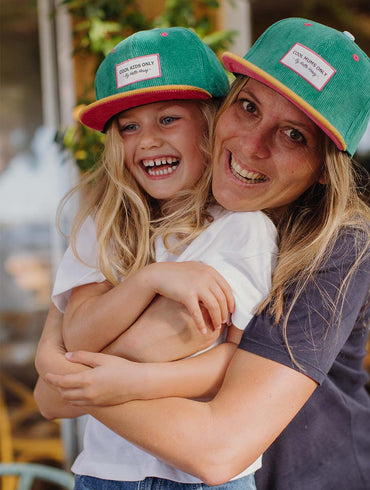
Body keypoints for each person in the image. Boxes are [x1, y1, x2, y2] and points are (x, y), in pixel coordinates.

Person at [34, 18, 370, 490]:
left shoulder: (336, 245)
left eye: (294, 135)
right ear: (220, 108)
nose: (252, 146)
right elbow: (60, 369)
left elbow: (216, 451)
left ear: (324, 170)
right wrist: (55, 354)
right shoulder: (140, 217)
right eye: (248, 107)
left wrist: (71, 373)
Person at [36, 26, 278, 488]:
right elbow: (82, 332)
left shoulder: (241, 227)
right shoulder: (103, 222)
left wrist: (85, 377)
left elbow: (235, 360)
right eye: (129, 126)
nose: (146, 140)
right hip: (105, 475)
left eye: (168, 119)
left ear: (211, 124)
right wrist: (152, 280)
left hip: (200, 476)